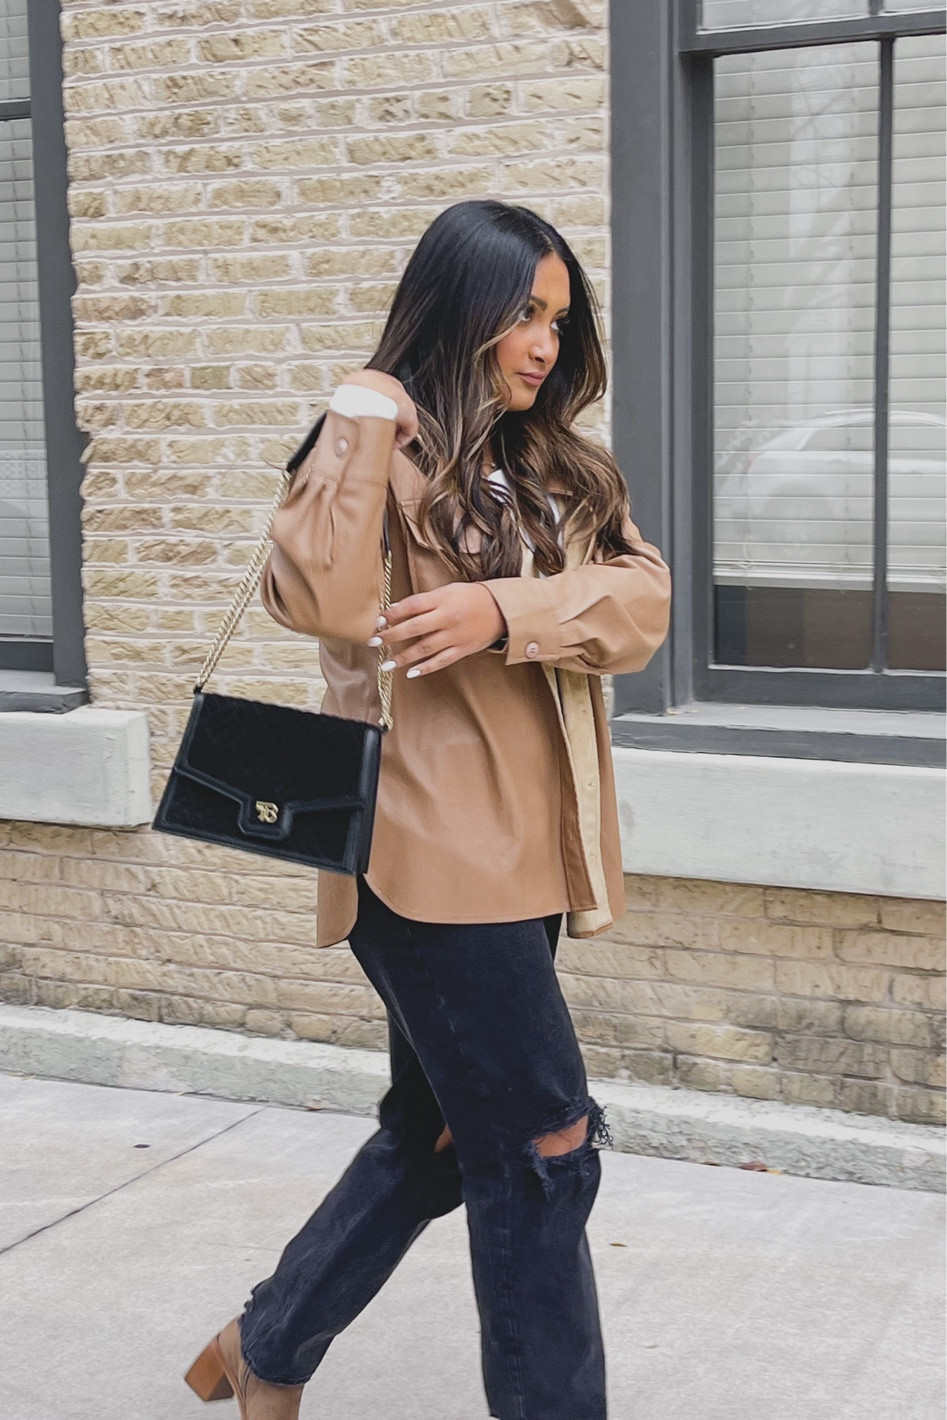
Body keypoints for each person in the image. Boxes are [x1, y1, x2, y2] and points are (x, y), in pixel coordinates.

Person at [183, 199, 671, 1420]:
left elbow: (640, 604)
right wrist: (359, 418)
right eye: (522, 312)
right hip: (422, 859)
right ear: (458, 308)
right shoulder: (373, 453)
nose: (544, 342)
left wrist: (502, 610)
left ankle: (267, 1342)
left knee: (441, 1130)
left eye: (558, 318)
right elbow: (324, 602)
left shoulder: (550, 463)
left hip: (527, 855)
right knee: (548, 1148)